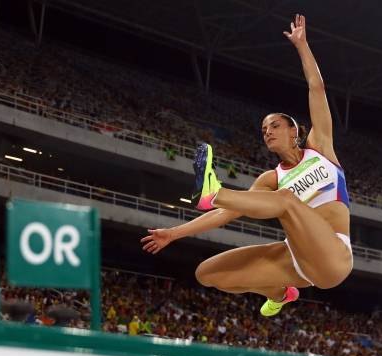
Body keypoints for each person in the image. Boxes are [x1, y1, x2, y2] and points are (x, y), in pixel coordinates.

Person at [141, 14, 352, 317]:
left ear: (295, 131)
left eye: (274, 125)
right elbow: (229, 214)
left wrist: (302, 46)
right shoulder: (271, 178)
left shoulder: (320, 148)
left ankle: (213, 191)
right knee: (208, 273)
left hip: (334, 256)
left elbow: (316, 88)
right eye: (264, 129)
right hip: (296, 261)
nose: (267, 131)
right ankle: (280, 293)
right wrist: (174, 233)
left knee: (286, 201)